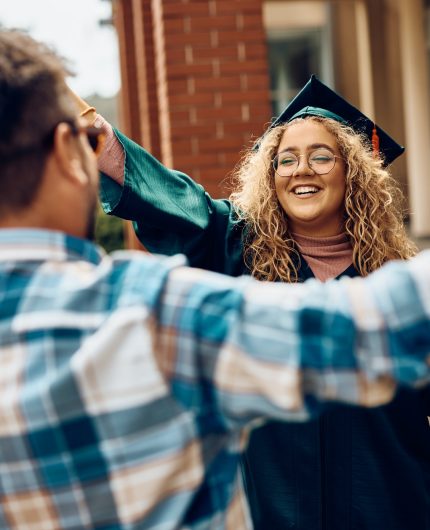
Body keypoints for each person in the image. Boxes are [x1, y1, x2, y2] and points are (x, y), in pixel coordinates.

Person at [75, 76, 430, 530]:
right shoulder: (236, 251)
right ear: (271, 176)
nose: (303, 169)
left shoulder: (397, 282)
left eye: (322, 156)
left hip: (392, 508)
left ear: (353, 172)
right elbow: (175, 203)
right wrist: (97, 138)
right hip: (272, 514)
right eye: (286, 159)